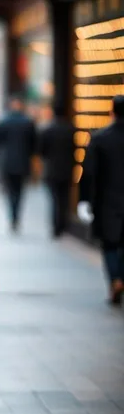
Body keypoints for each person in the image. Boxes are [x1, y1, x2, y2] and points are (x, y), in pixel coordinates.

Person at [78, 95, 124, 305]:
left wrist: (84, 200)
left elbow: (88, 173)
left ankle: (115, 279)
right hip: (110, 200)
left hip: (107, 201)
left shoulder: (100, 138)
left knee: (109, 245)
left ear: (112, 111)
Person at [0, 94, 37, 232]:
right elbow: (33, 145)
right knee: (19, 192)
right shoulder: (28, 122)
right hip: (23, 162)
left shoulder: (4, 121)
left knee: (10, 192)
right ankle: (16, 217)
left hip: (8, 162)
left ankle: (13, 217)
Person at [39, 106, 75, 238]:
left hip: (52, 170)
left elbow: (42, 151)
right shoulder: (70, 130)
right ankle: (63, 225)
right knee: (64, 199)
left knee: (54, 200)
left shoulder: (48, 130)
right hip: (67, 169)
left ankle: (56, 226)